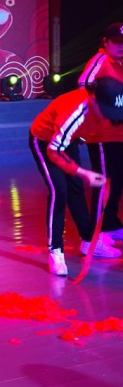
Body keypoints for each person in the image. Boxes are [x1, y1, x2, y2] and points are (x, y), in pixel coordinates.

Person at [30, 76, 123, 276]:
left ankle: (89, 242)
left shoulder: (101, 107)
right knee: (59, 191)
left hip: (67, 139)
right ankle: (55, 250)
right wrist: (83, 172)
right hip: (45, 140)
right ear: (95, 100)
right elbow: (54, 150)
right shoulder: (76, 112)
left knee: (76, 188)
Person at [78, 23, 123, 243]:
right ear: (106, 42)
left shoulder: (120, 64)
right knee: (105, 183)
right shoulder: (101, 60)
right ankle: (96, 236)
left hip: (118, 134)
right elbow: (84, 84)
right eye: (117, 42)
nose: (121, 47)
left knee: (118, 181)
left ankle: (110, 224)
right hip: (102, 136)